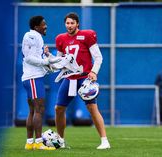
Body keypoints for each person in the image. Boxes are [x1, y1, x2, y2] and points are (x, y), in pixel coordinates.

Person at [54, 12, 110, 149]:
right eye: (67, 23)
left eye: (72, 23)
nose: (69, 25)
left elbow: (98, 57)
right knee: (58, 108)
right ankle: (61, 141)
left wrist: (94, 72)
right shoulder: (60, 39)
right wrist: (49, 58)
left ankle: (104, 141)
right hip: (70, 77)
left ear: (77, 24)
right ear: (64, 24)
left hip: (84, 77)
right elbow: (59, 61)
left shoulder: (87, 35)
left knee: (92, 108)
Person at [21, 15, 60, 150]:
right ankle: (38, 142)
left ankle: (29, 143)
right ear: (36, 26)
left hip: (32, 77)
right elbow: (29, 58)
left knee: (33, 111)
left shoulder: (38, 38)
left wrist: (58, 60)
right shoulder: (31, 35)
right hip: (33, 78)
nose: (46, 26)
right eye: (44, 24)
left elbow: (42, 60)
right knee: (39, 109)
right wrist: (45, 62)